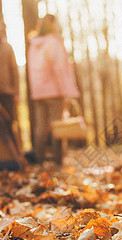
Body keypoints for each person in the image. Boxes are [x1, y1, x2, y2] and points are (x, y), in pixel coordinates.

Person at [27, 14, 80, 165]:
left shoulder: (34, 45)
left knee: (40, 128)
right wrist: (68, 92)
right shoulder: (53, 43)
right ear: (52, 25)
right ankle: (58, 160)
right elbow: (60, 69)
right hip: (54, 91)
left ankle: (39, 160)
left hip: (39, 92)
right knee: (58, 127)